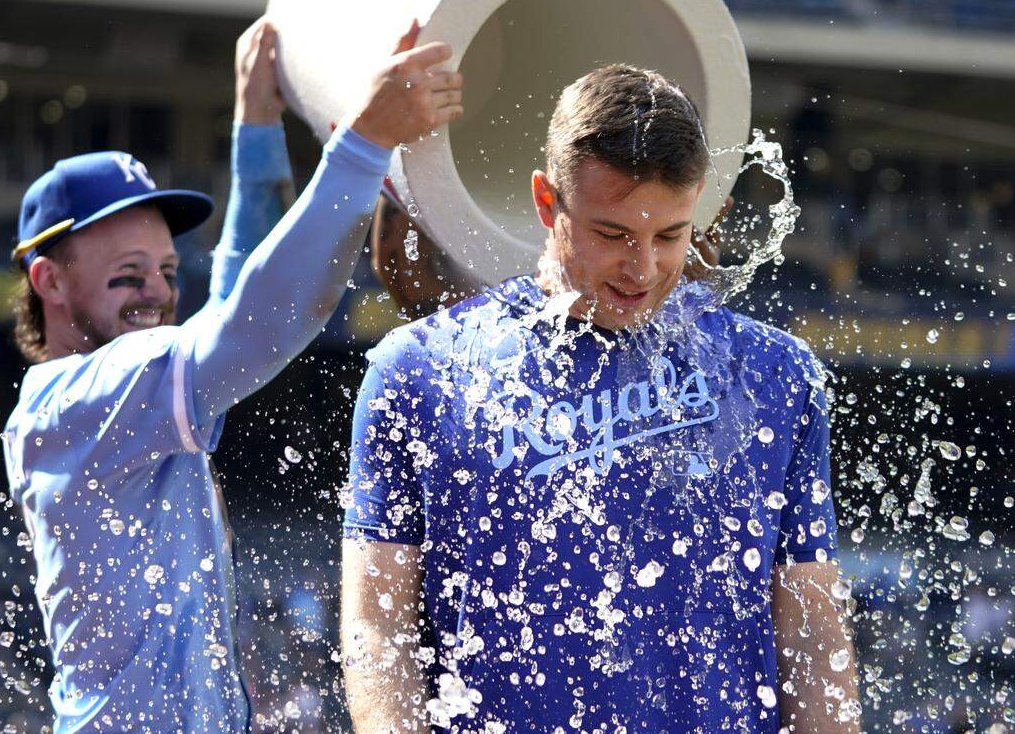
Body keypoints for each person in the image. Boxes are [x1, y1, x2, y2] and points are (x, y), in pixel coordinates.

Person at [342, 65, 859, 733]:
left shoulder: (774, 373)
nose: (642, 269)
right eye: (613, 235)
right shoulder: (420, 370)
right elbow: (379, 628)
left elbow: (812, 630)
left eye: (670, 235)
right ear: (546, 202)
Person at [1, 17, 463, 734]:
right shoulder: (73, 401)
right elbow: (252, 327)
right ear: (48, 281)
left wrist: (256, 127)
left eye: (163, 270)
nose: (156, 293)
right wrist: (364, 143)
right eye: (128, 276)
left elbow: (225, 311)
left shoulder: (113, 392)